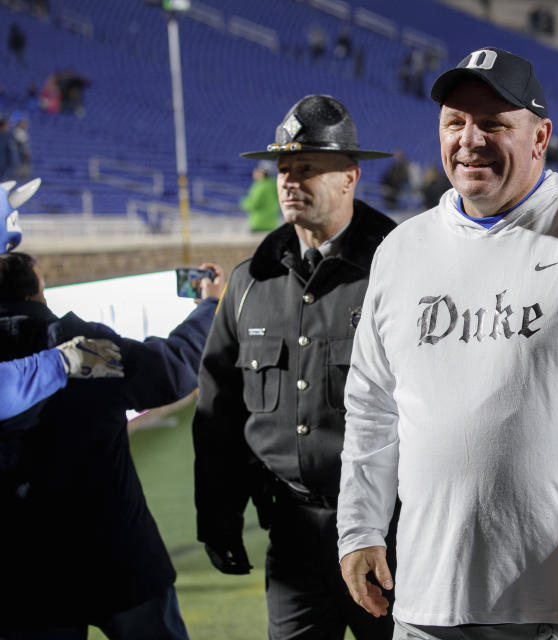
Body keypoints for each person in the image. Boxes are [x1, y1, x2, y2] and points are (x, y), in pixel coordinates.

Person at [337, 47, 558, 640]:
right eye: (455, 123)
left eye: (494, 124)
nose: (470, 139)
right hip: (430, 603)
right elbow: (372, 407)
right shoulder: (402, 251)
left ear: (540, 137)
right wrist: (361, 528)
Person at [192, 94, 397, 640]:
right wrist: (218, 516)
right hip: (293, 535)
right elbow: (219, 411)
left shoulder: (402, 269)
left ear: (351, 176)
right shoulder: (248, 283)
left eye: (306, 168)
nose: (288, 180)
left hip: (391, 533)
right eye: (283, 168)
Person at [0, 251, 224, 638]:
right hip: (120, 557)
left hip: (22, 576)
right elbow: (174, 367)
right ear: (39, 287)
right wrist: (208, 307)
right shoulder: (84, 343)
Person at [241, 159, 281, 232]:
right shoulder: (274, 184)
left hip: (259, 223)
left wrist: (243, 202)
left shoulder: (260, 186)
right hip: (271, 223)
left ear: (262, 173)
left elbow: (252, 204)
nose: (255, 172)